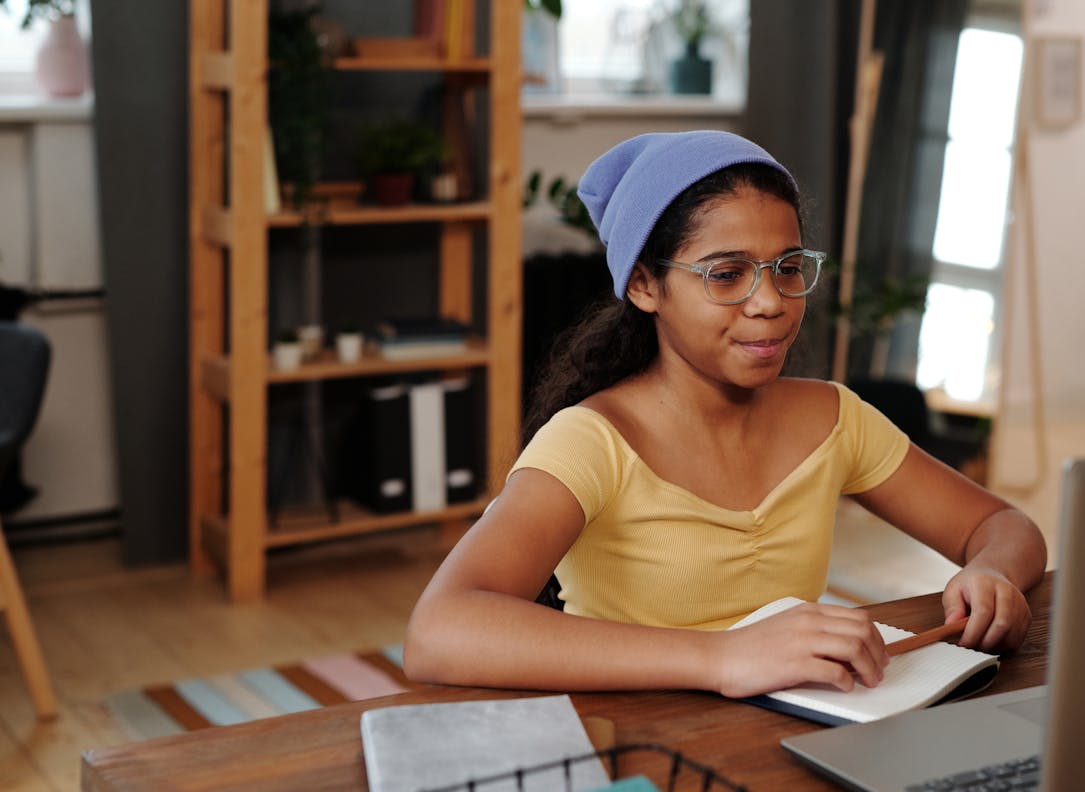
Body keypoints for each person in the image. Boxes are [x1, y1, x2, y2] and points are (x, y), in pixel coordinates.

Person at [404, 130, 1046, 699]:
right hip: (644, 739)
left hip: (798, 722)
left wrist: (992, 570)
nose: (769, 302)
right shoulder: (592, 440)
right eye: (726, 273)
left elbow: (1001, 523)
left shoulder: (834, 418)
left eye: (787, 268)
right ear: (644, 285)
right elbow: (439, 630)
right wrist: (725, 656)